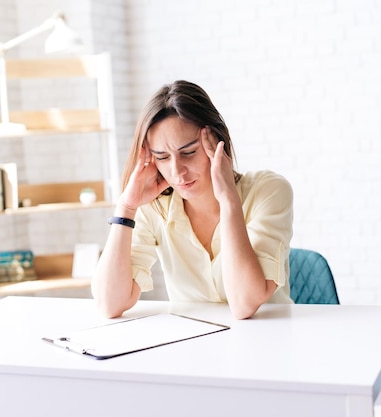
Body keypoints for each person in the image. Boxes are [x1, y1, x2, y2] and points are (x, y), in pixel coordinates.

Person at [91, 80, 294, 319]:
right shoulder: (155, 208)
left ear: (217, 143)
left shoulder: (268, 191)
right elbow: (109, 304)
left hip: (268, 340)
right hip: (193, 344)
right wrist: (126, 207)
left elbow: (243, 305)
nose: (177, 171)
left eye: (188, 152)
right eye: (163, 157)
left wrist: (229, 201)